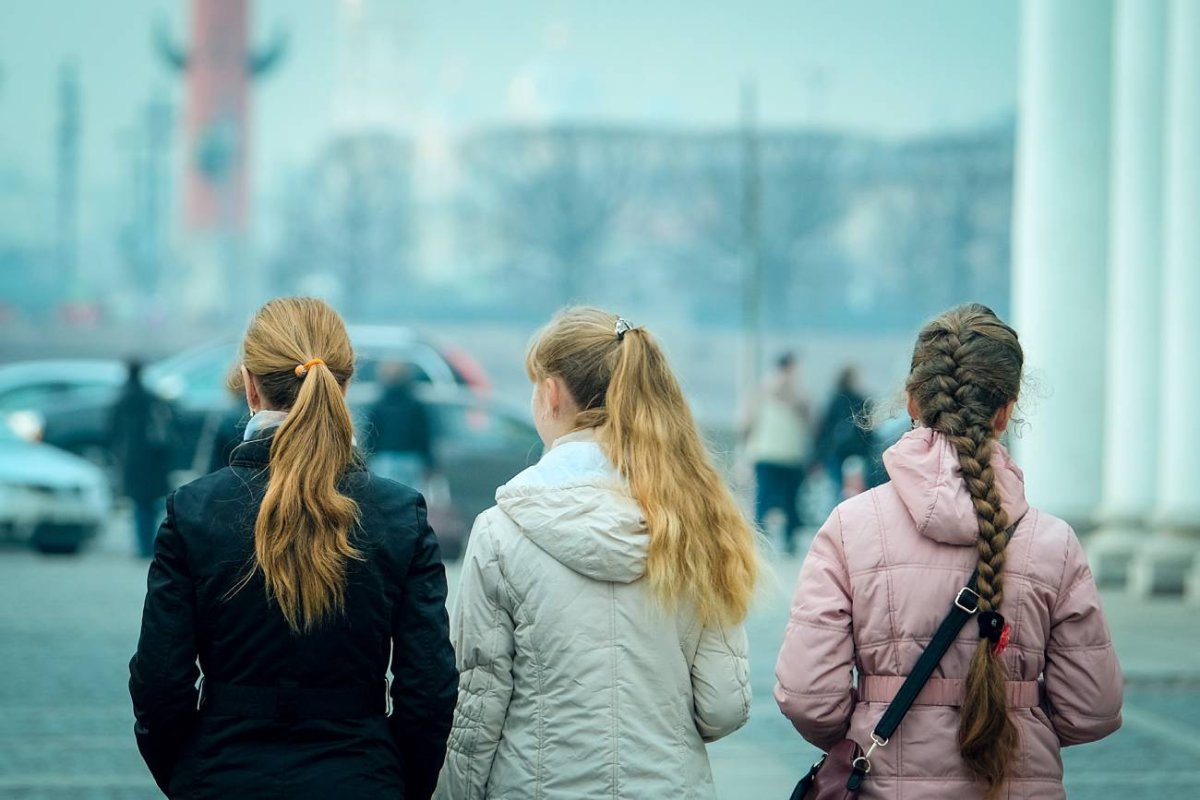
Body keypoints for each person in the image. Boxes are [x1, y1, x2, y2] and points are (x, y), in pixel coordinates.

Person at [774, 304, 1122, 800]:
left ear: (913, 401)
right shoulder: (1055, 543)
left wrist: (877, 714)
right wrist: (1015, 710)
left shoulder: (850, 528)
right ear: (1005, 411)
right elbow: (1093, 708)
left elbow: (809, 696)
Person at [129, 297, 457, 800]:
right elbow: (428, 687)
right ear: (345, 384)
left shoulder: (194, 509)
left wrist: (190, 772)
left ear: (250, 385)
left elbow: (159, 682)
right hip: (359, 775)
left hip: (222, 773)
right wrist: (395, 780)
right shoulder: (399, 512)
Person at [435, 308, 759, 799]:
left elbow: (478, 709)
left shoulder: (501, 531)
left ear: (551, 393)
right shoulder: (697, 521)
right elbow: (723, 707)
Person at [741, 351, 812, 555]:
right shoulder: (798, 390)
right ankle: (789, 540)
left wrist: (746, 443)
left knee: (763, 495)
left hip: (765, 451)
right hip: (791, 453)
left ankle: (759, 539)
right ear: (791, 366)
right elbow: (809, 418)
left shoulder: (761, 388)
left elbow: (748, 419)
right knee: (791, 499)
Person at [108, 359, 176, 558]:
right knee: (152, 505)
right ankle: (152, 543)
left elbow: (113, 432)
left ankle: (142, 545)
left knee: (139, 505)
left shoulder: (122, 399)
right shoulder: (152, 398)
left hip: (132, 460)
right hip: (153, 460)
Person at [366, 362, 435, 489]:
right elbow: (423, 436)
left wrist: (366, 462)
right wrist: (429, 463)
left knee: (386, 494)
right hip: (411, 459)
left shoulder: (379, 406)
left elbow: (371, 437)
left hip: (384, 459)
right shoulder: (415, 406)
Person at [814, 365, 881, 498]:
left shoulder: (834, 401)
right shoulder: (861, 400)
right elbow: (869, 428)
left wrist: (819, 454)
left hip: (836, 452)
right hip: (859, 451)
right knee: (861, 488)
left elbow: (824, 428)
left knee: (837, 487)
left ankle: (839, 507)